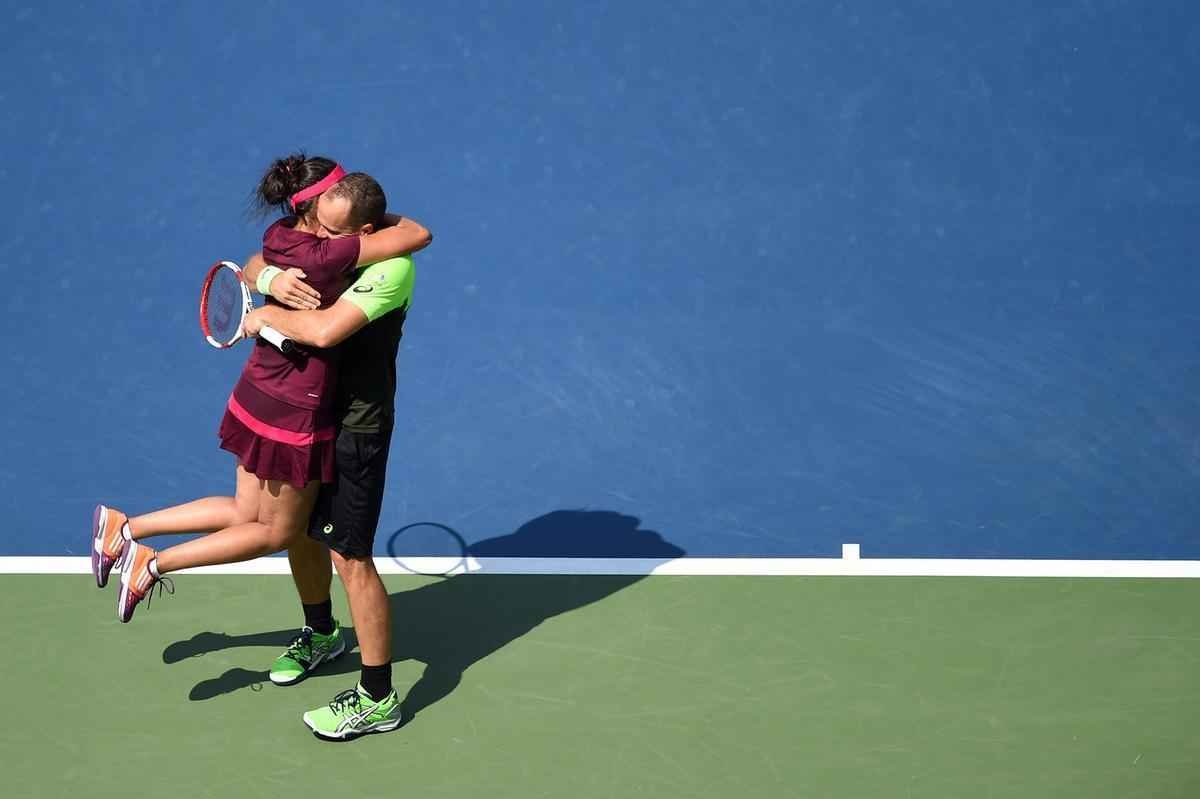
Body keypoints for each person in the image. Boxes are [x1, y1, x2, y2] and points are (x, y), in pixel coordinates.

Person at [90, 156, 430, 643]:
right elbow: (416, 235)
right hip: (296, 410)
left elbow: (254, 264)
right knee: (278, 531)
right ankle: (154, 563)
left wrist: (267, 283)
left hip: (257, 392)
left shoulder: (280, 237)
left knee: (245, 511)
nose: (329, 235)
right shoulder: (332, 254)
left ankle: (124, 528)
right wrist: (268, 311)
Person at [236, 199, 420, 740]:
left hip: (357, 429)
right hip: (311, 417)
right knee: (300, 532)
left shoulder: (391, 267)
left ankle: (378, 698)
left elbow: (322, 332)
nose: (317, 239)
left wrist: (266, 315)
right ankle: (321, 632)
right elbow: (258, 260)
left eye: (332, 232)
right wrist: (268, 276)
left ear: (366, 231)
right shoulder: (331, 249)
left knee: (351, 557)